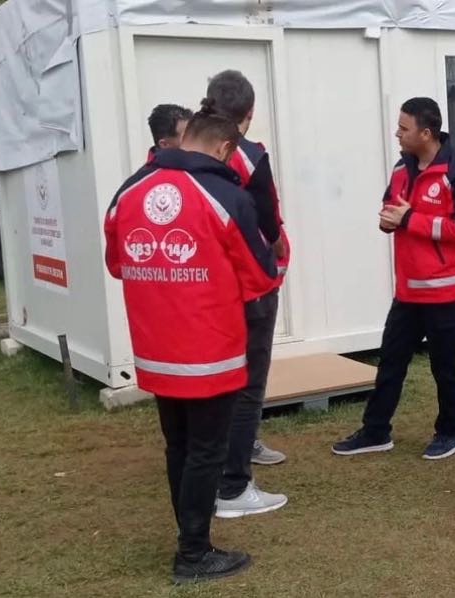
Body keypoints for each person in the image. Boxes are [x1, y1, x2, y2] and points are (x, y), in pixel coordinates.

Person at [103, 99, 278, 582]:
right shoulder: (224, 194)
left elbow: (117, 262)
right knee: (207, 449)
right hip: (210, 349)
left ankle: (190, 538)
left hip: (156, 348)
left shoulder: (130, 189)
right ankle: (194, 554)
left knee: (177, 445)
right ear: (223, 147)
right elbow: (262, 275)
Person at [332, 97, 455, 460]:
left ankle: (450, 432)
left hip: (446, 291)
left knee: (445, 366)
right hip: (409, 290)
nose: (397, 133)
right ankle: (375, 430)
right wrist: (387, 221)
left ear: (425, 133)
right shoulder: (402, 168)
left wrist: (410, 219)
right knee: (391, 360)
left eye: (403, 127)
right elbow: (390, 208)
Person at [203, 70, 290, 520]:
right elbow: (270, 222)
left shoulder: (179, 150)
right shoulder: (249, 155)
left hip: (199, 285)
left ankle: (210, 471)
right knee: (248, 384)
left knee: (214, 381)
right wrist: (277, 250)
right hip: (249, 283)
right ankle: (234, 485)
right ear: (249, 115)